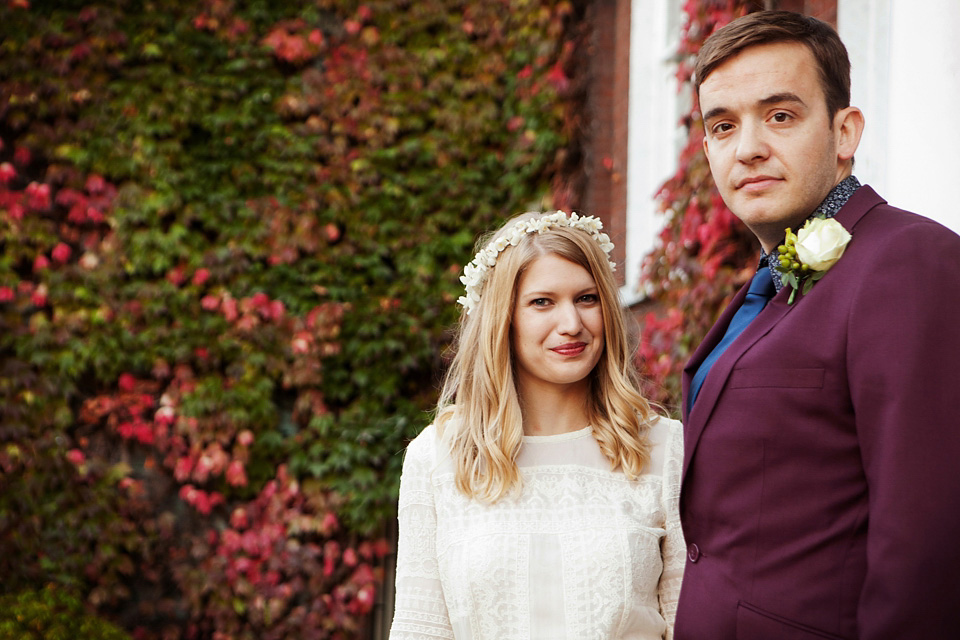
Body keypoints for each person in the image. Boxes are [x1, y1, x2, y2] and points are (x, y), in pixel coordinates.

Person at [677, 10, 960, 639]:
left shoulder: (909, 262)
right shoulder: (768, 285)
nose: (748, 146)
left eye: (780, 115)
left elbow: (927, 543)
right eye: (723, 126)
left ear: (844, 131)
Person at [389, 211, 684, 639]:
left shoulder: (662, 448)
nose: (571, 325)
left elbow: (688, 622)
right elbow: (420, 629)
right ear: (503, 318)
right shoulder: (437, 457)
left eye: (587, 298)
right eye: (542, 302)